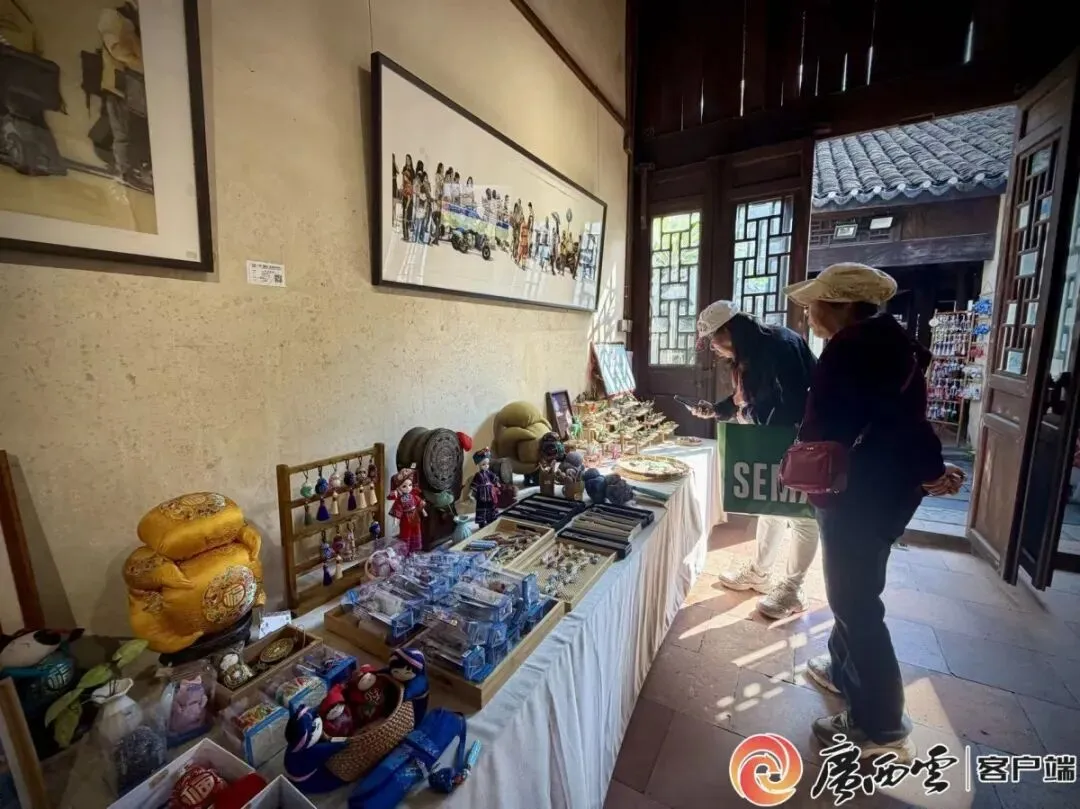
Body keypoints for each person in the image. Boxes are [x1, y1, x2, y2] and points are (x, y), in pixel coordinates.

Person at [784, 262, 963, 762]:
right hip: (869, 491)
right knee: (851, 591)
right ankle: (844, 672)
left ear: (841, 305)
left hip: (858, 496)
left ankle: (881, 724)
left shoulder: (856, 348)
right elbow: (899, 419)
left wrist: (931, 469)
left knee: (856, 602)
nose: (808, 312)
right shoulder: (884, 341)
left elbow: (902, 424)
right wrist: (930, 470)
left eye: (815, 303)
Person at [691, 301, 820, 619]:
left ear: (729, 330)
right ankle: (761, 574)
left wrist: (752, 418)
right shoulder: (750, 353)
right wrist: (718, 410)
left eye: (713, 339)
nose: (713, 347)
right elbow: (748, 398)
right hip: (772, 438)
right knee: (770, 505)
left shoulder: (781, 345)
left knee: (802, 515)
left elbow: (791, 404)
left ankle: (793, 588)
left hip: (800, 440)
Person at [98, 0, 146, 188]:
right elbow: (119, 51)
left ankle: (134, 170)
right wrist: (142, 63)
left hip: (136, 86)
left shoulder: (138, 17)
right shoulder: (112, 16)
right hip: (119, 87)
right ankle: (125, 172)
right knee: (122, 134)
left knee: (135, 132)